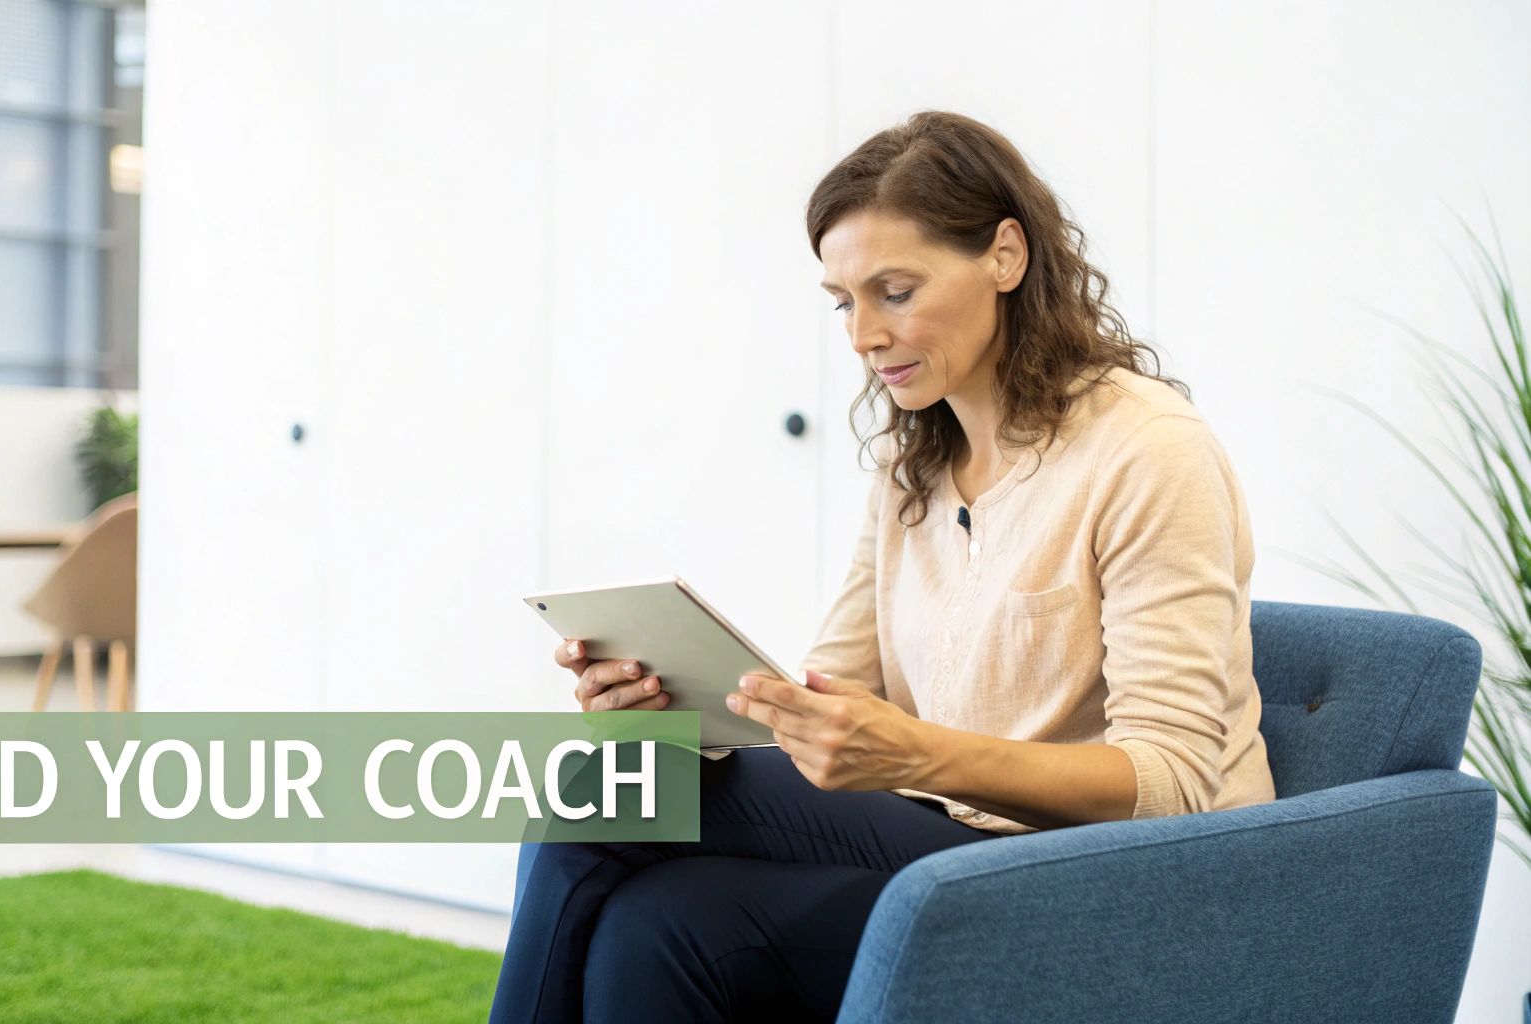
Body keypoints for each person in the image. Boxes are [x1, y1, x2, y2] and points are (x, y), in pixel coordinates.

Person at [489, 110, 1276, 1023]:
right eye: (842, 300)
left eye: (894, 291)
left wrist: (917, 752)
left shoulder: (1147, 451)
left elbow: (1171, 785)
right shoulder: (919, 465)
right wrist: (690, 715)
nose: (862, 334)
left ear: (1006, 257)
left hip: (1121, 887)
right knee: (657, 923)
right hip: (951, 843)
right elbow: (833, 696)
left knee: (598, 800)